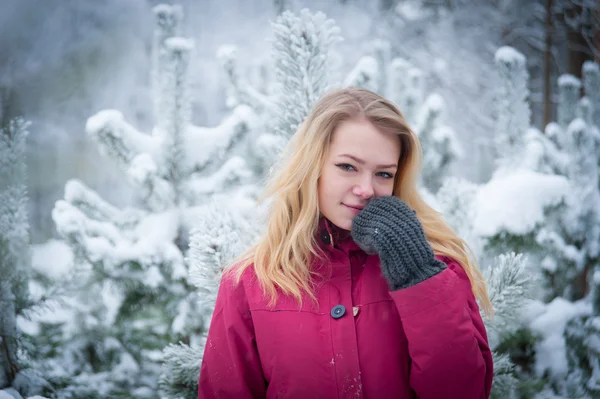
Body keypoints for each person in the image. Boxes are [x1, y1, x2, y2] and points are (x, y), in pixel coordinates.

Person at [198, 87, 494, 399]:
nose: (366, 188)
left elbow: (462, 391)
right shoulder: (250, 282)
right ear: (312, 166)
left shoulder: (435, 269)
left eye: (383, 173)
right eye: (347, 167)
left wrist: (417, 278)